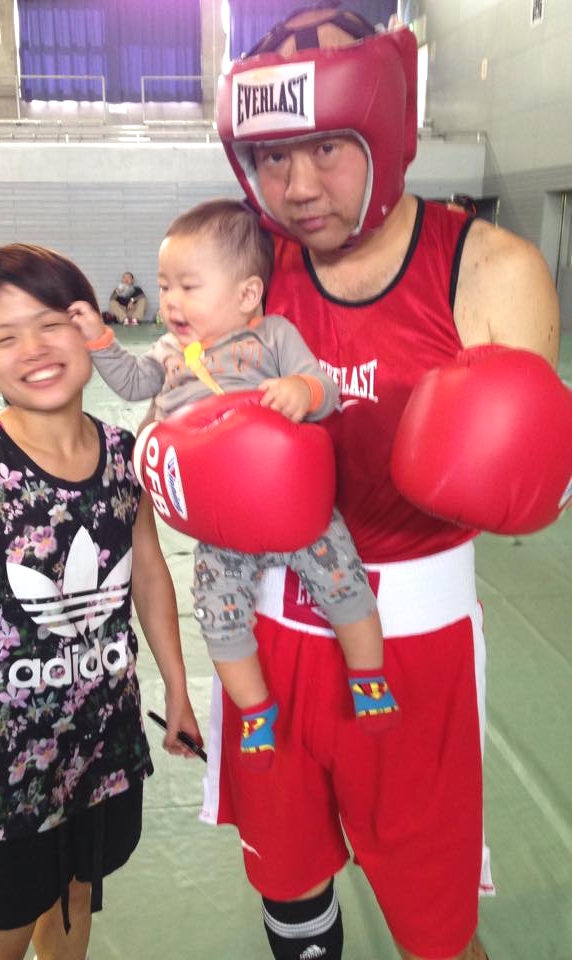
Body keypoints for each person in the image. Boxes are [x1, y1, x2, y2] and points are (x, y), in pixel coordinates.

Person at [204, 5, 561, 960]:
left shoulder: (490, 269)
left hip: (410, 643)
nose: (297, 187)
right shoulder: (248, 269)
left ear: (387, 125)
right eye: (272, 156)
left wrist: (531, 475)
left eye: (326, 147)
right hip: (269, 634)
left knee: (435, 930)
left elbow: (534, 482)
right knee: (290, 886)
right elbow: (183, 397)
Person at [0, 243, 201, 960]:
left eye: (52, 322)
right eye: (5, 337)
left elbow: (149, 574)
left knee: (77, 897)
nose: (34, 349)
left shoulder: (122, 453)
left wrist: (177, 688)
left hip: (102, 741)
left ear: (89, 327)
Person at [71, 198, 399, 769]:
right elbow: (133, 383)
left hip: (292, 502)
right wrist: (101, 339)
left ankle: (368, 676)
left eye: (187, 286)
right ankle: (255, 708)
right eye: (164, 286)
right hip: (221, 524)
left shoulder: (271, 336)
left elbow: (323, 387)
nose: (171, 301)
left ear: (247, 294)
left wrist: (301, 391)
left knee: (343, 581)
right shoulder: (169, 352)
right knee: (217, 613)